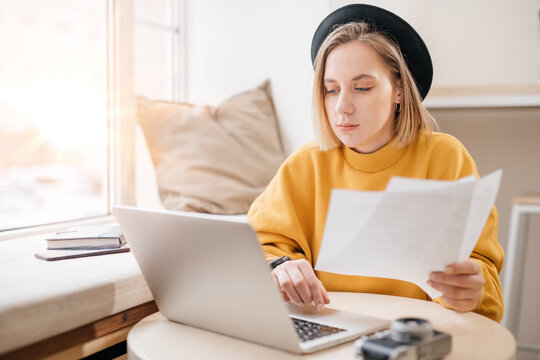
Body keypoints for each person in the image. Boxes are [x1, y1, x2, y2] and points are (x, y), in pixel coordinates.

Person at [247, 4, 504, 322]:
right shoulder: (305, 165)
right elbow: (254, 245)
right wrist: (281, 265)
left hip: (417, 335)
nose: (342, 106)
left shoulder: (446, 158)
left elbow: (485, 283)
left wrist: (471, 290)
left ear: (399, 89)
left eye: (362, 88)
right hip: (328, 330)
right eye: (331, 90)